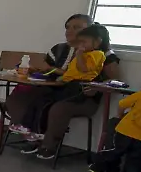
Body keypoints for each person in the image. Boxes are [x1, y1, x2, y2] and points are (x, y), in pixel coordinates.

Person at [7, 14, 123, 153]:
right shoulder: (59, 49)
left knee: (57, 107)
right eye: (67, 27)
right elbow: (47, 71)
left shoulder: (103, 54)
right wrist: (34, 71)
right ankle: (30, 137)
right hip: (57, 89)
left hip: (83, 97)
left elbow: (116, 81)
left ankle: (47, 146)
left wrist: (97, 88)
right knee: (21, 98)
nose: (69, 31)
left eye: (76, 27)